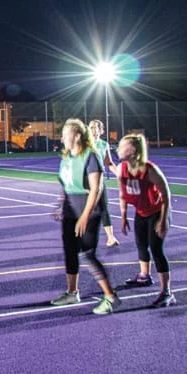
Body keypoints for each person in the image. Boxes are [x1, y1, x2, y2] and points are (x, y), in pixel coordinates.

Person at [51, 118, 120, 315]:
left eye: (66, 134)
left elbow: (96, 189)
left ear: (78, 135)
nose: (62, 138)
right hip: (70, 209)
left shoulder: (91, 156)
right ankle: (72, 292)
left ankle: (111, 297)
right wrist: (59, 204)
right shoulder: (67, 158)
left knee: (87, 254)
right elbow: (65, 184)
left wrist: (85, 216)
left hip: (88, 209)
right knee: (70, 251)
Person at [117, 134, 176, 307]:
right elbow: (123, 193)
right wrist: (123, 216)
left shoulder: (149, 170)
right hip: (141, 212)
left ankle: (167, 292)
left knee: (156, 249)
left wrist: (163, 220)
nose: (119, 148)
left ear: (133, 150)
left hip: (158, 212)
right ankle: (144, 276)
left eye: (122, 146)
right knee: (141, 245)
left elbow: (166, 194)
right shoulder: (122, 169)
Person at [88, 120, 121, 247]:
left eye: (96, 127)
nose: (93, 130)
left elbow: (109, 163)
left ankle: (111, 238)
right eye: (91, 127)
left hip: (99, 182)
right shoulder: (83, 144)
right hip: (85, 182)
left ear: (101, 130)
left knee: (104, 209)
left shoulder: (104, 145)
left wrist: (119, 174)